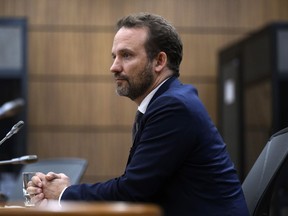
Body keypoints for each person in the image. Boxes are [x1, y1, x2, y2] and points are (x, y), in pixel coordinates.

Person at [27, 12, 249, 216]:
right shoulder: (166, 102)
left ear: (159, 61)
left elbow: (131, 192)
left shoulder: (174, 107)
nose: (114, 67)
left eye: (126, 55)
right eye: (114, 56)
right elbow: (138, 188)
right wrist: (66, 191)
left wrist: (65, 193)